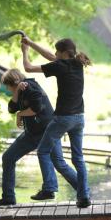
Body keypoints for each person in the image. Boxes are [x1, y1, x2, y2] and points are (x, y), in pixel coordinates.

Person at [20, 36, 92, 208]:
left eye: (57, 51)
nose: (54, 53)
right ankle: (84, 197)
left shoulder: (61, 66)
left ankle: (49, 188)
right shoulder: (76, 63)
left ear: (64, 53)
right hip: (79, 118)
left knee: (43, 152)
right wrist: (31, 43)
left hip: (63, 119)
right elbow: (51, 58)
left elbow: (28, 68)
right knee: (78, 158)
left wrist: (25, 51)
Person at [0, 69, 78, 206]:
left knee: (59, 163)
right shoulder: (20, 90)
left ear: (14, 81)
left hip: (48, 130)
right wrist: (16, 92)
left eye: (8, 86)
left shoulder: (30, 87)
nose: (8, 89)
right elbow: (11, 108)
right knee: (8, 157)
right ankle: (8, 197)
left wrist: (20, 115)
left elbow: (37, 108)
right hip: (32, 133)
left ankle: (81, 191)